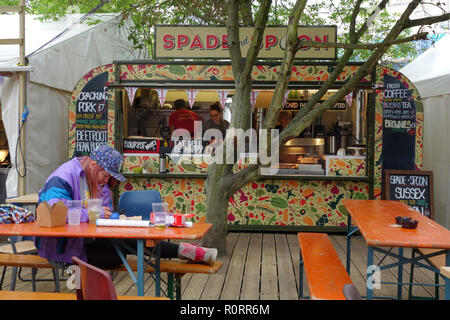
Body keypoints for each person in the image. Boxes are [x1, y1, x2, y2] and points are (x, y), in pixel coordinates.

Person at [35, 145, 217, 269]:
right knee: (123, 250)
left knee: (128, 243)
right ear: (93, 165)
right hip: (61, 249)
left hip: (85, 241)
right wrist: (88, 214)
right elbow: (52, 210)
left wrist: (110, 217)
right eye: (105, 176)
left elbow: (102, 213)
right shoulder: (64, 175)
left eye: (108, 178)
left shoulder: (99, 180)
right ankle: (187, 251)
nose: (106, 181)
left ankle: (187, 251)